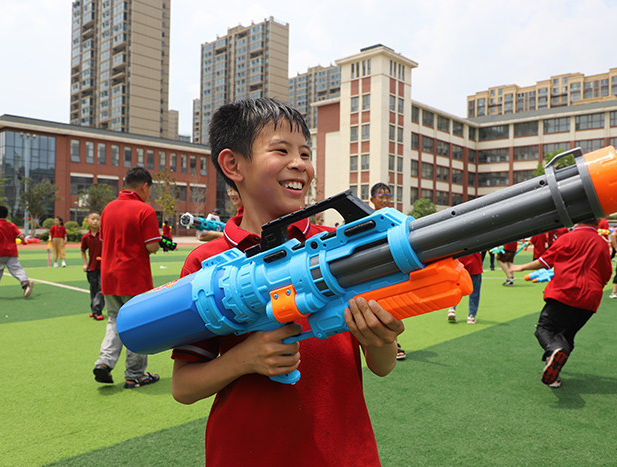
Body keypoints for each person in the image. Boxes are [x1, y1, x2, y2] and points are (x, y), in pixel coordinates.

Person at [171, 98, 404, 467]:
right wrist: (243, 360)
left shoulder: (341, 246)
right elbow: (183, 386)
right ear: (233, 165)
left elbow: (383, 365)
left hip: (345, 452)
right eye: (281, 150)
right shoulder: (206, 264)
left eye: (306, 153)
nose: (300, 164)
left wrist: (381, 337)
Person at [509, 218, 611, 388]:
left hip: (564, 292)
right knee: (567, 335)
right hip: (590, 298)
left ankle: (554, 351)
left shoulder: (567, 238)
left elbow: (544, 262)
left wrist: (520, 267)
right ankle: (554, 375)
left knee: (545, 329)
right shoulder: (602, 243)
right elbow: (606, 273)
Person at [93, 167, 162, 389]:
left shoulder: (108, 209)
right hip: (134, 276)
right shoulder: (145, 210)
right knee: (137, 324)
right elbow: (151, 246)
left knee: (114, 320)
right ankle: (135, 375)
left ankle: (104, 362)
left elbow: (106, 240)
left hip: (109, 276)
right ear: (145, 186)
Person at [370, 181, 406, 360]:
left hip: (391, 268)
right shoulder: (365, 218)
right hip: (370, 270)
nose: (385, 200)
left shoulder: (394, 216)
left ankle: (394, 343)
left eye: (387, 197)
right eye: (381, 197)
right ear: (372, 199)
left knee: (393, 308)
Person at [0, 205, 34, 299]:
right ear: (7, 215)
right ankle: (25, 283)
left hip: (0, 253)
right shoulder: (12, 225)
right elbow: (21, 235)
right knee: (17, 269)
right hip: (12, 252)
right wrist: (24, 241)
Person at [81, 211, 104, 320]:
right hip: (92, 267)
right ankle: (94, 309)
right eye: (93, 219)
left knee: (102, 289)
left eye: (98, 219)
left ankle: (97, 311)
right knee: (93, 290)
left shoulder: (104, 235)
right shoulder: (86, 237)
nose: (95, 221)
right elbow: (83, 250)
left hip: (103, 267)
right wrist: (85, 264)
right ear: (87, 221)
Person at [447, 252, 483, 324]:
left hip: (460, 260)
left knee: (456, 286)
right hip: (474, 261)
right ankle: (471, 316)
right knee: (474, 289)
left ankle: (452, 308)